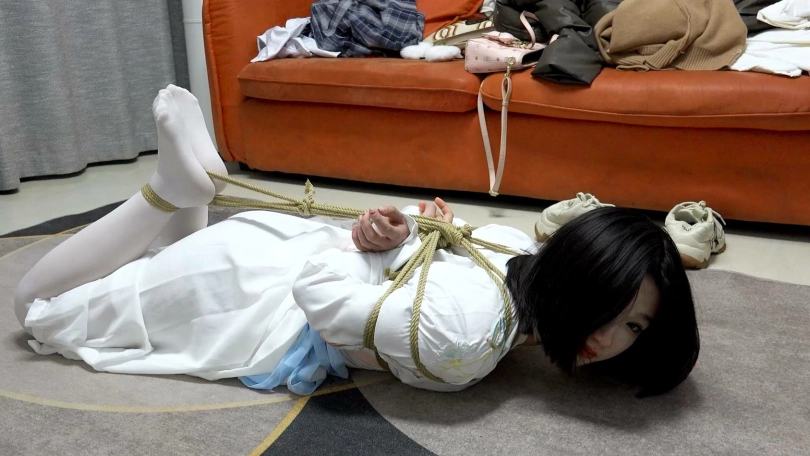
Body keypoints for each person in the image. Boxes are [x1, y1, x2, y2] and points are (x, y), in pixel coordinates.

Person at [13, 86, 698, 398]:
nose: (611, 337)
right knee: (39, 307)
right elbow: (317, 291)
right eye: (615, 309)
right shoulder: (464, 345)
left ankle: (195, 190)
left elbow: (423, 254)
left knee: (150, 271)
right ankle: (167, 189)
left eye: (635, 327)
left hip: (278, 248)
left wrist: (395, 234)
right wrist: (372, 244)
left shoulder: (508, 242)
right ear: (576, 273)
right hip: (263, 301)